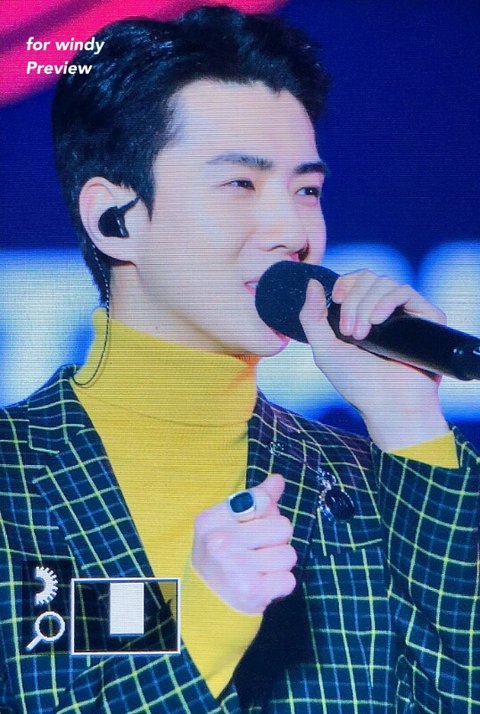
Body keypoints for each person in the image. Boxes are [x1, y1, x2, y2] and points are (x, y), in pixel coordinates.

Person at [0, 6, 478, 713]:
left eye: (306, 190)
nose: (292, 231)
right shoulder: (15, 481)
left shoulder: (370, 483)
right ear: (115, 219)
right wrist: (206, 616)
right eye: (240, 185)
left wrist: (408, 419)